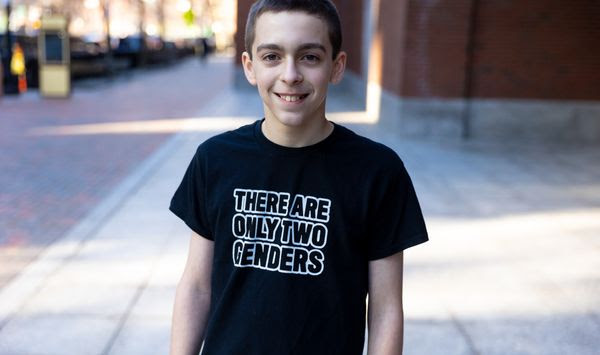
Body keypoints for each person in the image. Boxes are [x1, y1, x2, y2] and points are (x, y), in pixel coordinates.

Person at [169, 1, 428, 354]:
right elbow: (197, 286)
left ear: (336, 67)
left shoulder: (378, 171)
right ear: (249, 66)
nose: (290, 74)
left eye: (309, 57)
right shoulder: (215, 160)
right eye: (272, 56)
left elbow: (385, 309)